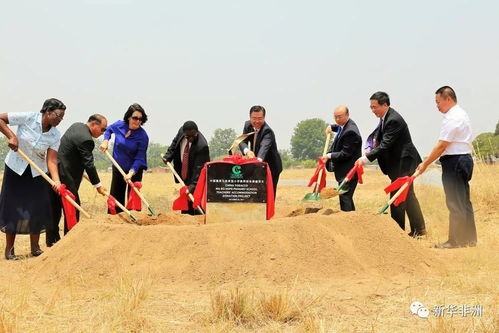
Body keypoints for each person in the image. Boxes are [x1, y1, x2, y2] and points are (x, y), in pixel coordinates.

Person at [0, 98, 65, 260]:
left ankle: (35, 248)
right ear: (48, 111)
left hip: (37, 173)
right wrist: (12, 136)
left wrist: (56, 181)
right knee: (13, 207)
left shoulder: (55, 134)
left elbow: (51, 160)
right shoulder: (28, 117)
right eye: (58, 115)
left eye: (62, 117)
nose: (60, 119)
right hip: (15, 168)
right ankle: (10, 249)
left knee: (37, 208)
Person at [355, 92, 426, 237]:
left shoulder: (393, 120)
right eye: (371, 107)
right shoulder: (385, 119)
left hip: (404, 162)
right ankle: (419, 229)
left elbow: (385, 145)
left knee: (397, 194)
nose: (373, 110)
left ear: (385, 105)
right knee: (408, 195)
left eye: (375, 107)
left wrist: (365, 159)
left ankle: (397, 232)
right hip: (398, 162)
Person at [417, 86, 476, 248]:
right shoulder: (462, 113)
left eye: (438, 102)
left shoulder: (453, 118)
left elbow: (442, 145)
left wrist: (425, 164)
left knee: (455, 203)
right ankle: (469, 239)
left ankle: (455, 241)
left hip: (455, 162)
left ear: (448, 99)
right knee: (464, 201)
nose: (437, 106)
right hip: (464, 159)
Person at [47, 115, 108, 246]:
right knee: (73, 206)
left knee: (54, 208)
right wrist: (98, 186)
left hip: (55, 172)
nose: (103, 133)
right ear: (93, 125)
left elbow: (74, 155)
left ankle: (52, 241)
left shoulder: (76, 126)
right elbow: (89, 164)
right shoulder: (86, 139)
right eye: (102, 129)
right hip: (64, 175)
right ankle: (70, 243)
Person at [100, 104, 149, 213]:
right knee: (116, 196)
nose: (137, 121)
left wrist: (131, 173)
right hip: (118, 167)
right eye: (135, 118)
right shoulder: (119, 125)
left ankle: (133, 223)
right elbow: (108, 130)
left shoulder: (143, 136)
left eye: (140, 119)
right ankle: (114, 221)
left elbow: (140, 158)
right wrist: (106, 140)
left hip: (134, 170)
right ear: (128, 117)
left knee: (133, 197)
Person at [162, 121, 210, 215]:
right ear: (184, 134)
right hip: (183, 172)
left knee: (194, 201)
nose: (191, 139)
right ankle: (185, 220)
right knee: (185, 204)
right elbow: (174, 143)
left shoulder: (202, 146)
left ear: (197, 132)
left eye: (193, 136)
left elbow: (199, 169)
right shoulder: (181, 132)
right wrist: (168, 156)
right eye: (188, 137)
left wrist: (192, 186)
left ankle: (198, 220)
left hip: (195, 177)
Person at [322, 105, 362, 211]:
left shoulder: (351, 132)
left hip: (349, 172)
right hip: (344, 172)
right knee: (346, 197)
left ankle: (349, 221)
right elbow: (339, 127)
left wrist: (329, 156)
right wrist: (332, 126)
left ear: (347, 115)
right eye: (335, 117)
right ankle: (352, 218)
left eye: (340, 117)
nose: (337, 119)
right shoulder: (343, 126)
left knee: (345, 197)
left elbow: (345, 153)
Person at [239, 105, 283, 198]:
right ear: (249, 117)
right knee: (256, 192)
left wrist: (256, 161)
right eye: (254, 118)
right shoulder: (248, 125)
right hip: (257, 165)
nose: (257, 121)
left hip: (271, 167)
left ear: (264, 118)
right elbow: (242, 141)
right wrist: (247, 151)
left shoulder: (267, 131)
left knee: (268, 194)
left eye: (260, 118)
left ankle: (268, 212)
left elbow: (264, 149)